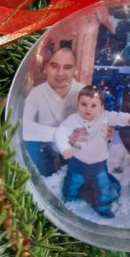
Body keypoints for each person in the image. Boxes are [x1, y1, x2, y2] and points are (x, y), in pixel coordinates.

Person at [55, 85, 130, 218]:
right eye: (84, 104)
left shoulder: (105, 117)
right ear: (77, 105)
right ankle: (68, 200)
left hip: (99, 163)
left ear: (101, 107)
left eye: (93, 105)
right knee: (72, 181)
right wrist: (65, 149)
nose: (88, 109)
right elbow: (60, 133)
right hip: (78, 161)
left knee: (102, 185)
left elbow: (119, 117)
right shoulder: (73, 119)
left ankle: (103, 207)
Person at [22, 47, 86, 177]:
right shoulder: (36, 93)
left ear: (75, 70)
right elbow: (24, 127)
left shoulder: (84, 92)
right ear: (45, 68)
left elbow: (99, 127)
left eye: (67, 67)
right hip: (46, 152)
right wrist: (66, 134)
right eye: (54, 66)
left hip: (77, 153)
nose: (60, 73)